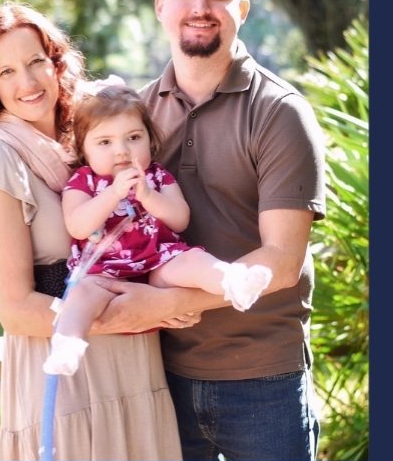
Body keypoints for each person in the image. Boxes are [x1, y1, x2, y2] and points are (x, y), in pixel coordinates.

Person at [96, 0, 327, 461]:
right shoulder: (137, 116)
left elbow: (283, 261)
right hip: (158, 373)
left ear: (240, 11)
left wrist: (170, 303)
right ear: (161, 7)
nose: (200, 8)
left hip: (262, 376)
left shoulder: (280, 113)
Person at [0, 1, 188, 461]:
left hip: (135, 367)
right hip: (67, 380)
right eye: (7, 71)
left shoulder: (92, 142)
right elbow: (16, 311)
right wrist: (142, 313)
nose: (28, 82)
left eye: (36, 61)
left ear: (56, 64)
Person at [41, 84, 272, 376]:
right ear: (83, 149)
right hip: (103, 272)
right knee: (81, 296)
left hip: (159, 263)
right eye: (105, 142)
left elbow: (180, 220)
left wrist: (148, 196)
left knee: (191, 260)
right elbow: (78, 225)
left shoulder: (157, 176)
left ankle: (234, 281)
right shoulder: (82, 182)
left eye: (133, 138)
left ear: (150, 141)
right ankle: (67, 346)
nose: (122, 150)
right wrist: (112, 194)